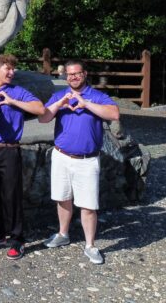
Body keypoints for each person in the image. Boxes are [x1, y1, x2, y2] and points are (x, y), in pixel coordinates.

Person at [40, 60, 120, 265]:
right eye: (69, 74)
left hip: (87, 160)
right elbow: (43, 118)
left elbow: (114, 114)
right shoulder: (60, 95)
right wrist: (60, 103)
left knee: (88, 205)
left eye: (76, 74)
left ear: (84, 74)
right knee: (62, 197)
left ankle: (90, 245)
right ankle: (62, 233)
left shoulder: (96, 96)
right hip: (61, 156)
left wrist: (86, 104)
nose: (73, 77)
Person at [0, 53, 45, 260]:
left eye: (13, 69)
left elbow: (40, 108)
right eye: (8, 68)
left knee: (11, 195)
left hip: (9, 148)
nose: (11, 72)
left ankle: (17, 239)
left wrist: (13, 101)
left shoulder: (18, 91)